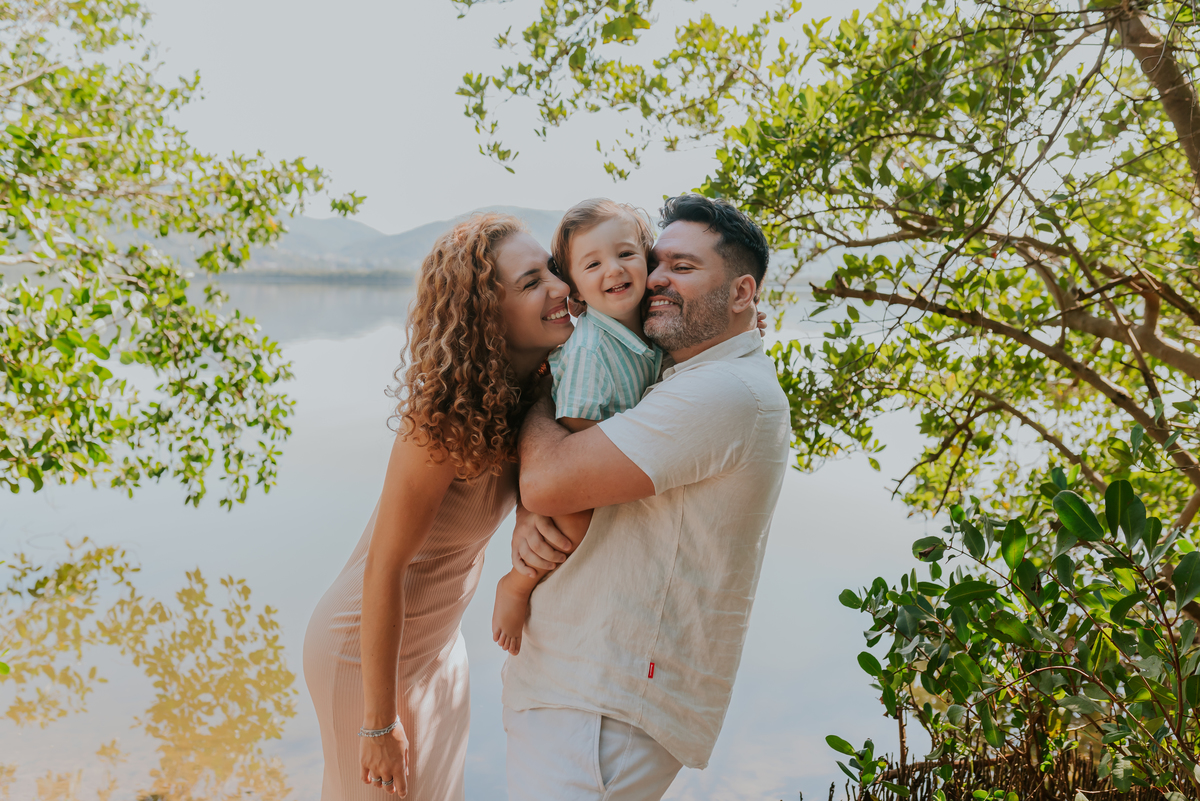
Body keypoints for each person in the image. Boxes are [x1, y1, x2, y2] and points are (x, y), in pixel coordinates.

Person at [502, 195, 790, 800]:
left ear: (742, 294)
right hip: (582, 691)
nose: (654, 279)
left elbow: (550, 479)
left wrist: (542, 393)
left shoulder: (724, 392)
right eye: (657, 263)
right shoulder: (679, 371)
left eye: (682, 268)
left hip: (603, 707)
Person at [302, 213, 573, 801]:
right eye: (531, 283)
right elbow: (385, 567)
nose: (559, 288)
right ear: (487, 316)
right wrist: (378, 723)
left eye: (552, 270)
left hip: (441, 646)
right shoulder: (443, 417)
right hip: (365, 650)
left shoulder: (543, 388)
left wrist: (730, 332)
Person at [491, 198, 662, 656]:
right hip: (582, 443)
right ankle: (518, 583)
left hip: (609, 444)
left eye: (626, 254)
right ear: (577, 291)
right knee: (574, 523)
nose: (614, 270)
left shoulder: (649, 322)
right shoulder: (590, 348)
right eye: (593, 264)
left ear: (647, 259)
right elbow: (572, 425)